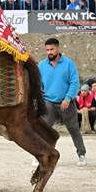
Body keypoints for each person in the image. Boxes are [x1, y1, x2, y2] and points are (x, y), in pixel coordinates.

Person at [39, 37, 87, 166]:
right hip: (48, 103)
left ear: (58, 48)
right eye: (47, 50)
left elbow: (74, 83)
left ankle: (81, 154)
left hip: (66, 103)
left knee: (74, 130)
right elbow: (38, 84)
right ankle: (40, 155)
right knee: (43, 130)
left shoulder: (68, 64)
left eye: (52, 49)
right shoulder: (42, 65)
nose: (49, 52)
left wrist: (68, 98)